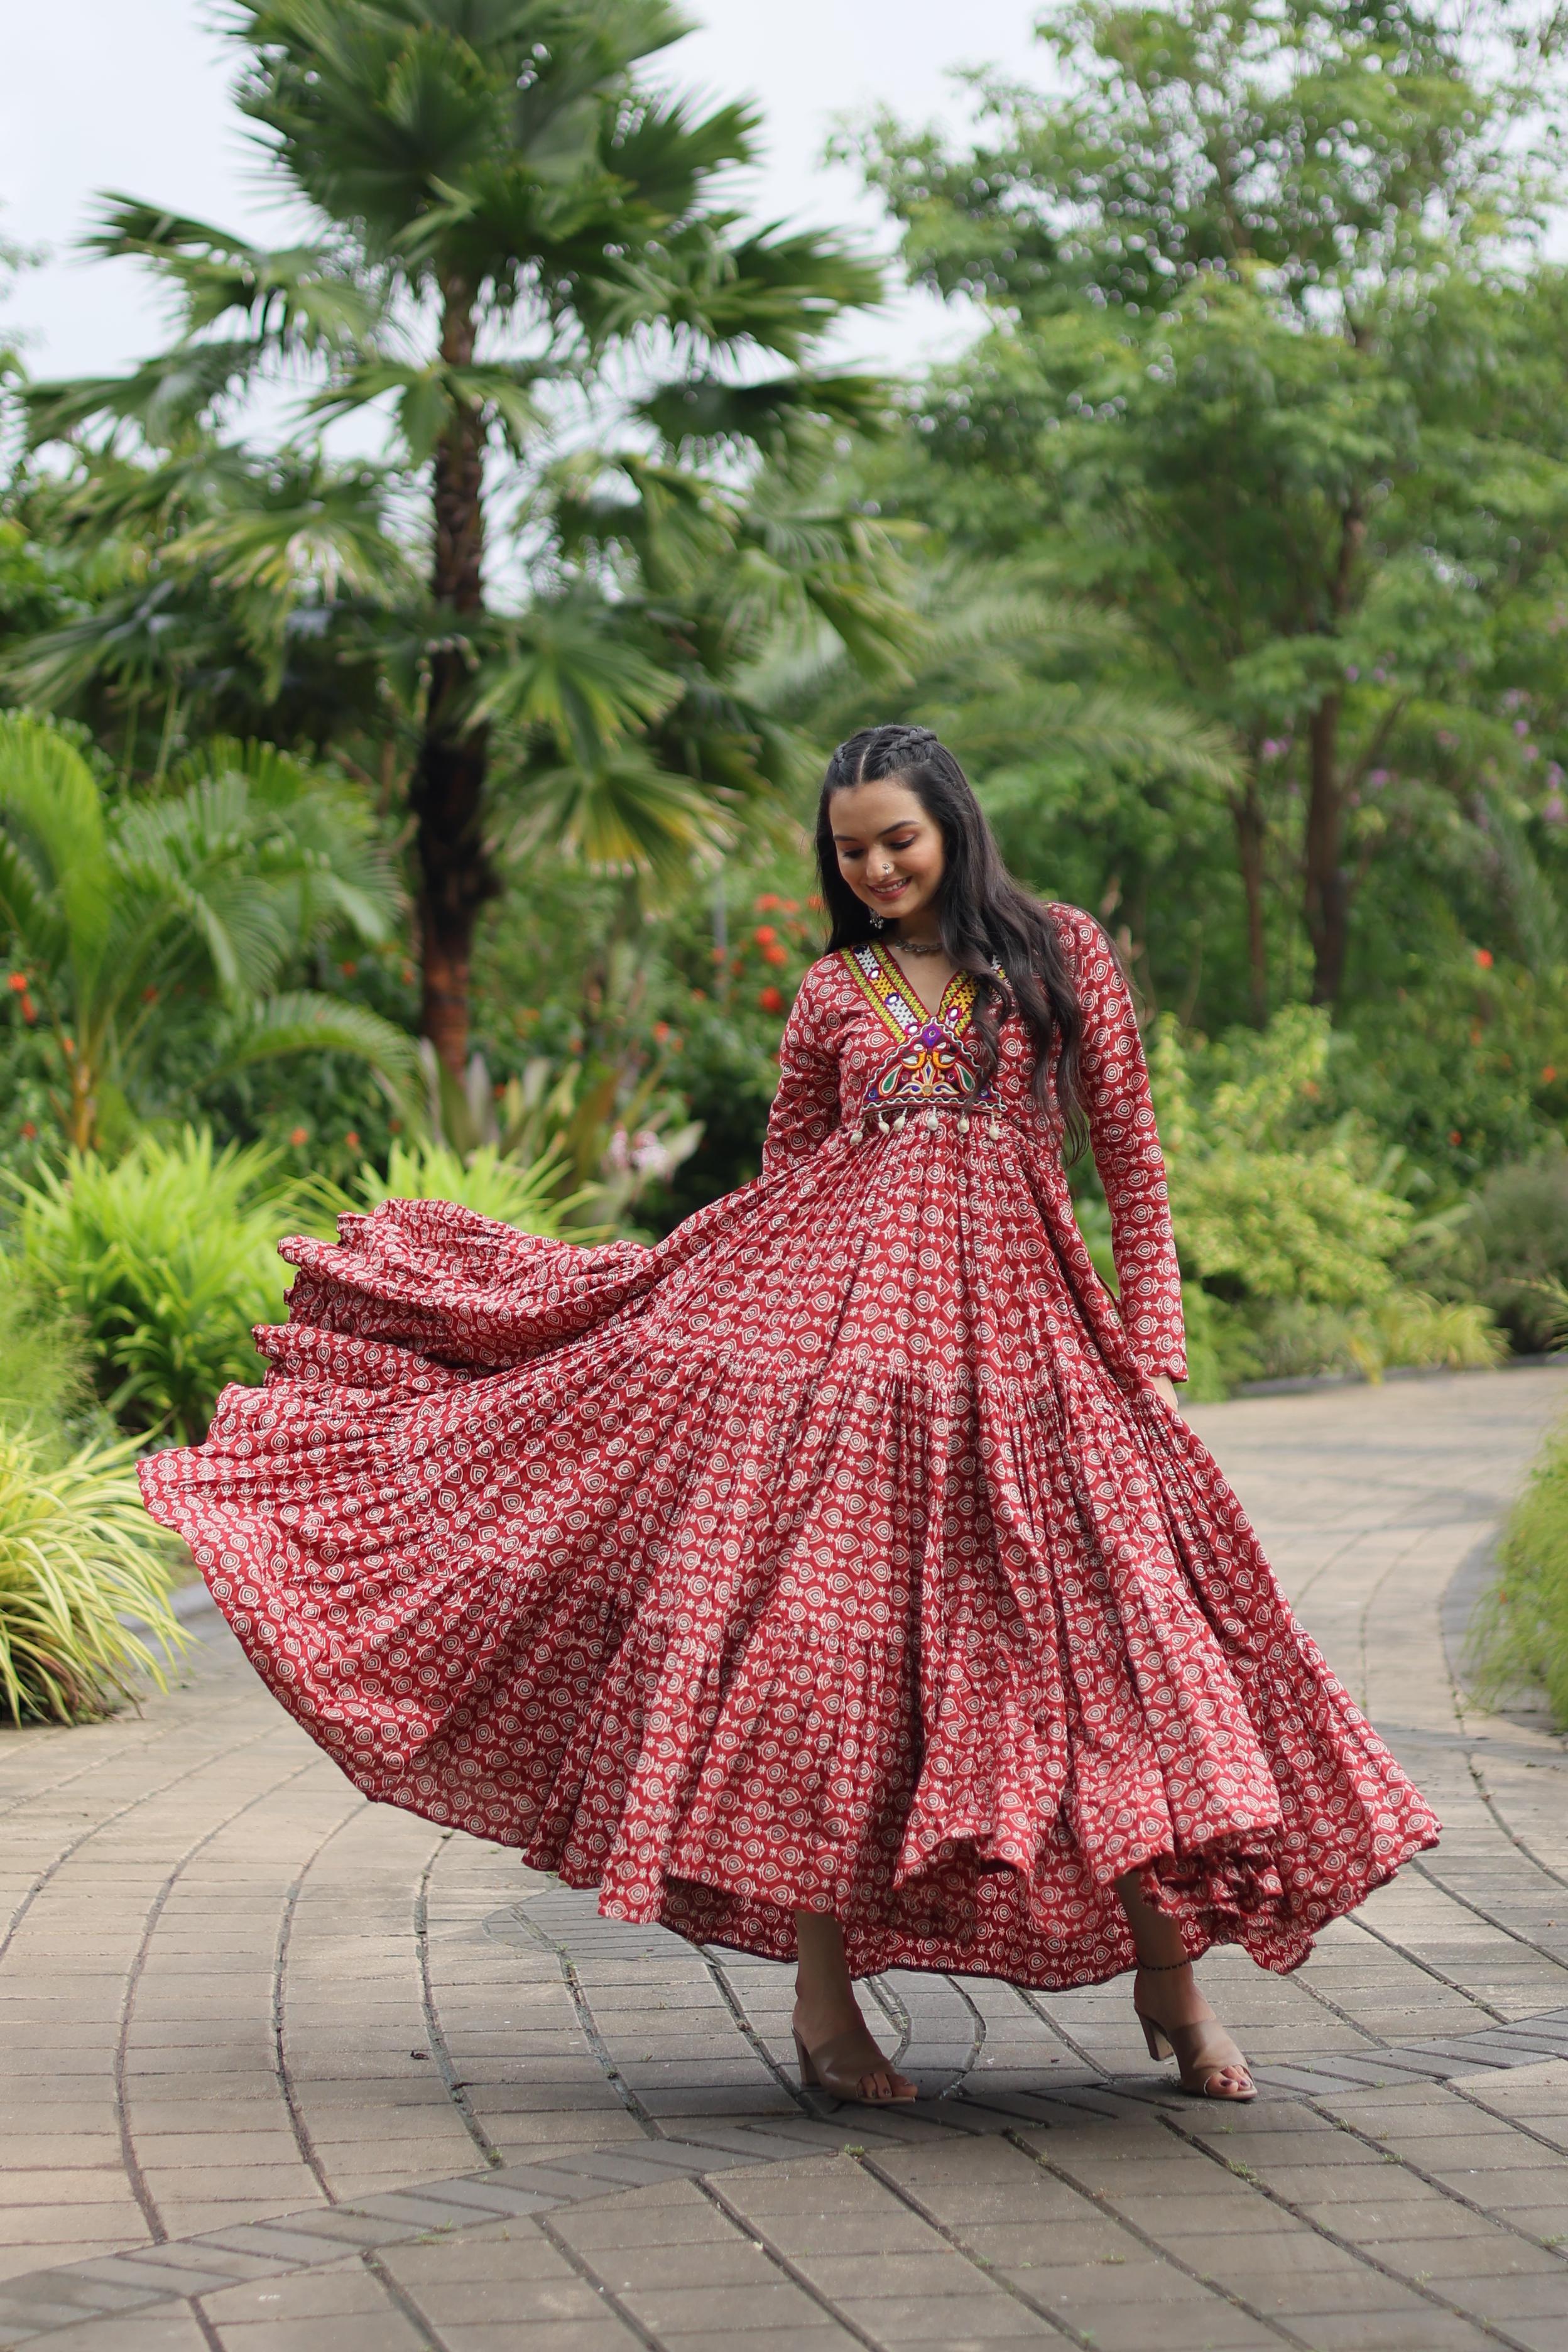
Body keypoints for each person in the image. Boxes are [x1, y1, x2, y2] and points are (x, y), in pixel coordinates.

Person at [140, 722, 1440, 2108]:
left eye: (900, 839)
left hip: (1034, 1364)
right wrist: (692, 1315)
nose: (876, 867)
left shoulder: (1061, 953)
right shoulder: (835, 992)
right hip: (837, 1372)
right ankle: (829, 2017)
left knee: (1113, 1660)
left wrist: (1156, 1347)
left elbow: (1133, 1158)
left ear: (955, 821)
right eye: (850, 849)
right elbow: (785, 1181)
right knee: (817, 1672)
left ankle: (1171, 1982)